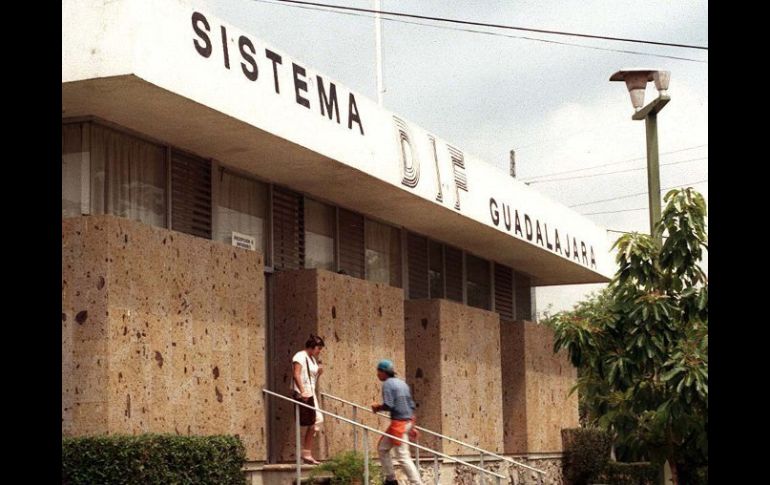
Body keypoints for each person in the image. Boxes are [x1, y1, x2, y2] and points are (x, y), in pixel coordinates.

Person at [371, 359, 422, 485]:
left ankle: (417, 483)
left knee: (403, 456)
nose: (377, 375)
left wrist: (377, 407)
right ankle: (390, 479)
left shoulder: (388, 384)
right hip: (407, 420)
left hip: (399, 423)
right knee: (383, 448)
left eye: (378, 372)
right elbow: (411, 405)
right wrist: (411, 427)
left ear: (383, 372)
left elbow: (389, 405)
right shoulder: (402, 383)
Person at [292, 334, 325, 464]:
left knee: (316, 421)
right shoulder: (299, 356)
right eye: (318, 348)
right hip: (304, 393)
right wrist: (302, 391)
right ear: (312, 347)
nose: (319, 351)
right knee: (316, 420)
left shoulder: (312, 359)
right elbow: (296, 374)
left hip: (311, 392)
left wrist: (319, 373)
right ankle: (306, 453)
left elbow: (311, 377)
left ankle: (307, 453)